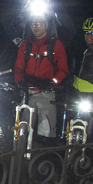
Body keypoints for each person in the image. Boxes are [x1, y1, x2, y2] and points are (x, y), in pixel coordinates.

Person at [14, 13, 69, 146]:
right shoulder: (26, 45)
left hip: (46, 93)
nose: (36, 27)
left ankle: (45, 154)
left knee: (47, 129)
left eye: (39, 24)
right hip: (28, 92)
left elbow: (63, 69)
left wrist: (52, 82)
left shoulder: (56, 45)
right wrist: (20, 82)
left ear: (46, 26)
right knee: (23, 128)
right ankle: (21, 153)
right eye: (33, 24)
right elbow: (18, 67)